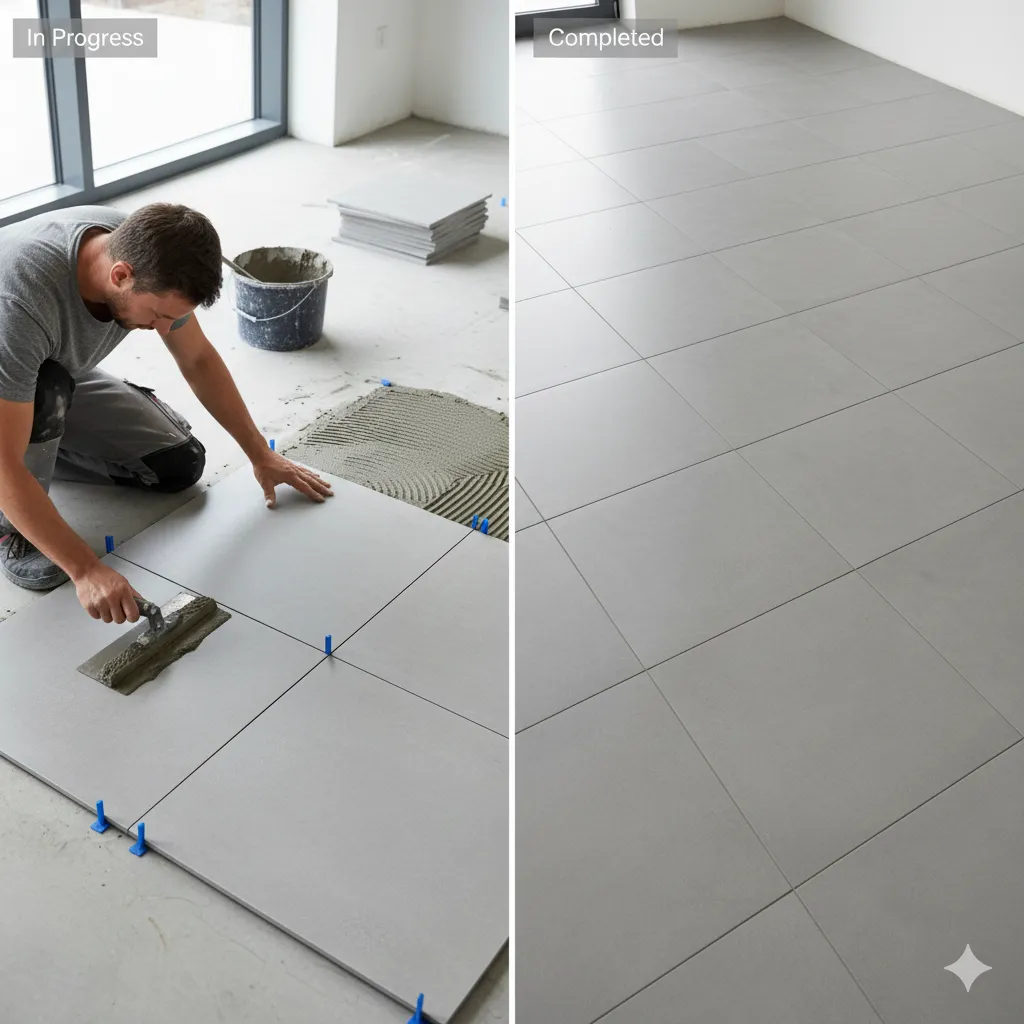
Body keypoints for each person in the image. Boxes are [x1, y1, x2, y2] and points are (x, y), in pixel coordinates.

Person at [0, 202, 333, 624]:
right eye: (158, 315)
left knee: (177, 465)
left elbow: (196, 360)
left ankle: (38, 440)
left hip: (52, 367)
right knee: (43, 397)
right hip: (19, 370)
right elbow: (5, 465)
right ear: (120, 275)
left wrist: (259, 453)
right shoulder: (18, 303)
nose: (163, 329)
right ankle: (9, 525)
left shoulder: (144, 246)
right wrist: (86, 569)